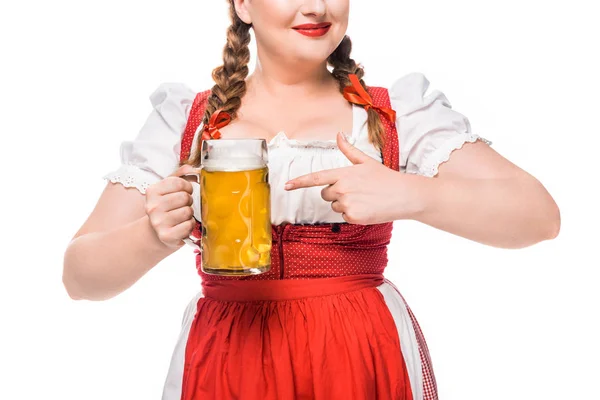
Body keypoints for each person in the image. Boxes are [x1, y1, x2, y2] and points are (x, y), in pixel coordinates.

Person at [62, 0, 561, 399]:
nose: (317, 7)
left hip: (359, 350)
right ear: (242, 4)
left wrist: (413, 193)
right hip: (228, 357)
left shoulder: (394, 114)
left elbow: (539, 217)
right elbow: (80, 278)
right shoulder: (185, 120)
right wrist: (152, 234)